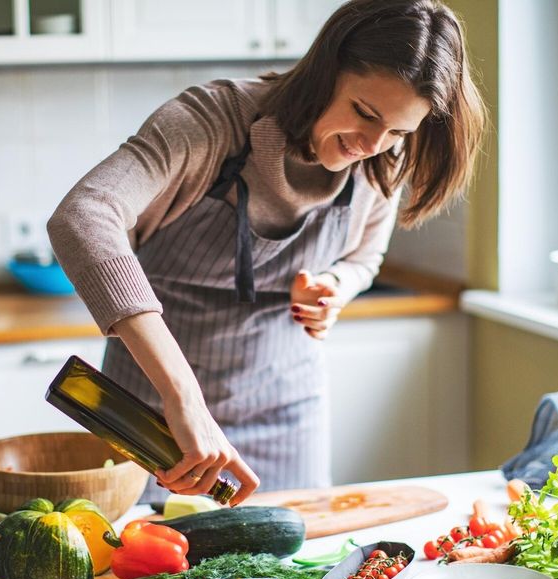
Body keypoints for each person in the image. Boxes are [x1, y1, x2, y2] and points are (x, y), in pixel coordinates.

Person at [47, 0, 485, 506]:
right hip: (154, 411)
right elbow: (83, 216)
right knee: (147, 568)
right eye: (364, 113)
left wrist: (333, 289)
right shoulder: (210, 122)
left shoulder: (385, 156)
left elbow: (364, 259)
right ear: (326, 70)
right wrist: (183, 398)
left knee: (291, 574)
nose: (372, 143)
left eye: (398, 131)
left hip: (286, 412)